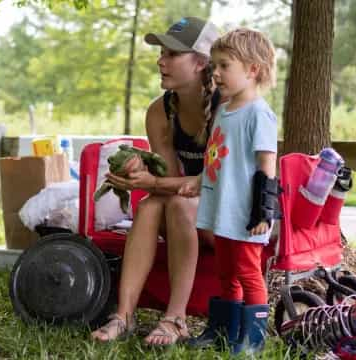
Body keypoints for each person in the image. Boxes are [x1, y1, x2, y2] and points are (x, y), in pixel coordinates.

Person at [91, 17, 221, 346]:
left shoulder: (229, 109)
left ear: (201, 62)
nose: (161, 61)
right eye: (161, 53)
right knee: (151, 207)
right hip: (191, 210)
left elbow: (218, 184)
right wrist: (136, 174)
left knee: (176, 202)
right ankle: (124, 315)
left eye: (172, 54)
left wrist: (151, 182)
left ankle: (176, 319)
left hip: (227, 220)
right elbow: (171, 180)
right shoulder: (159, 112)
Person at [180, 28, 278, 353]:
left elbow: (267, 164)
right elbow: (218, 155)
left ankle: (253, 340)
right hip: (223, 209)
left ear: (252, 70)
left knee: (248, 272)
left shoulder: (258, 113)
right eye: (215, 66)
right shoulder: (225, 109)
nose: (216, 73)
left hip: (247, 213)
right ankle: (224, 332)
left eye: (224, 66)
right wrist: (198, 180)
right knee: (226, 272)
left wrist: (264, 211)